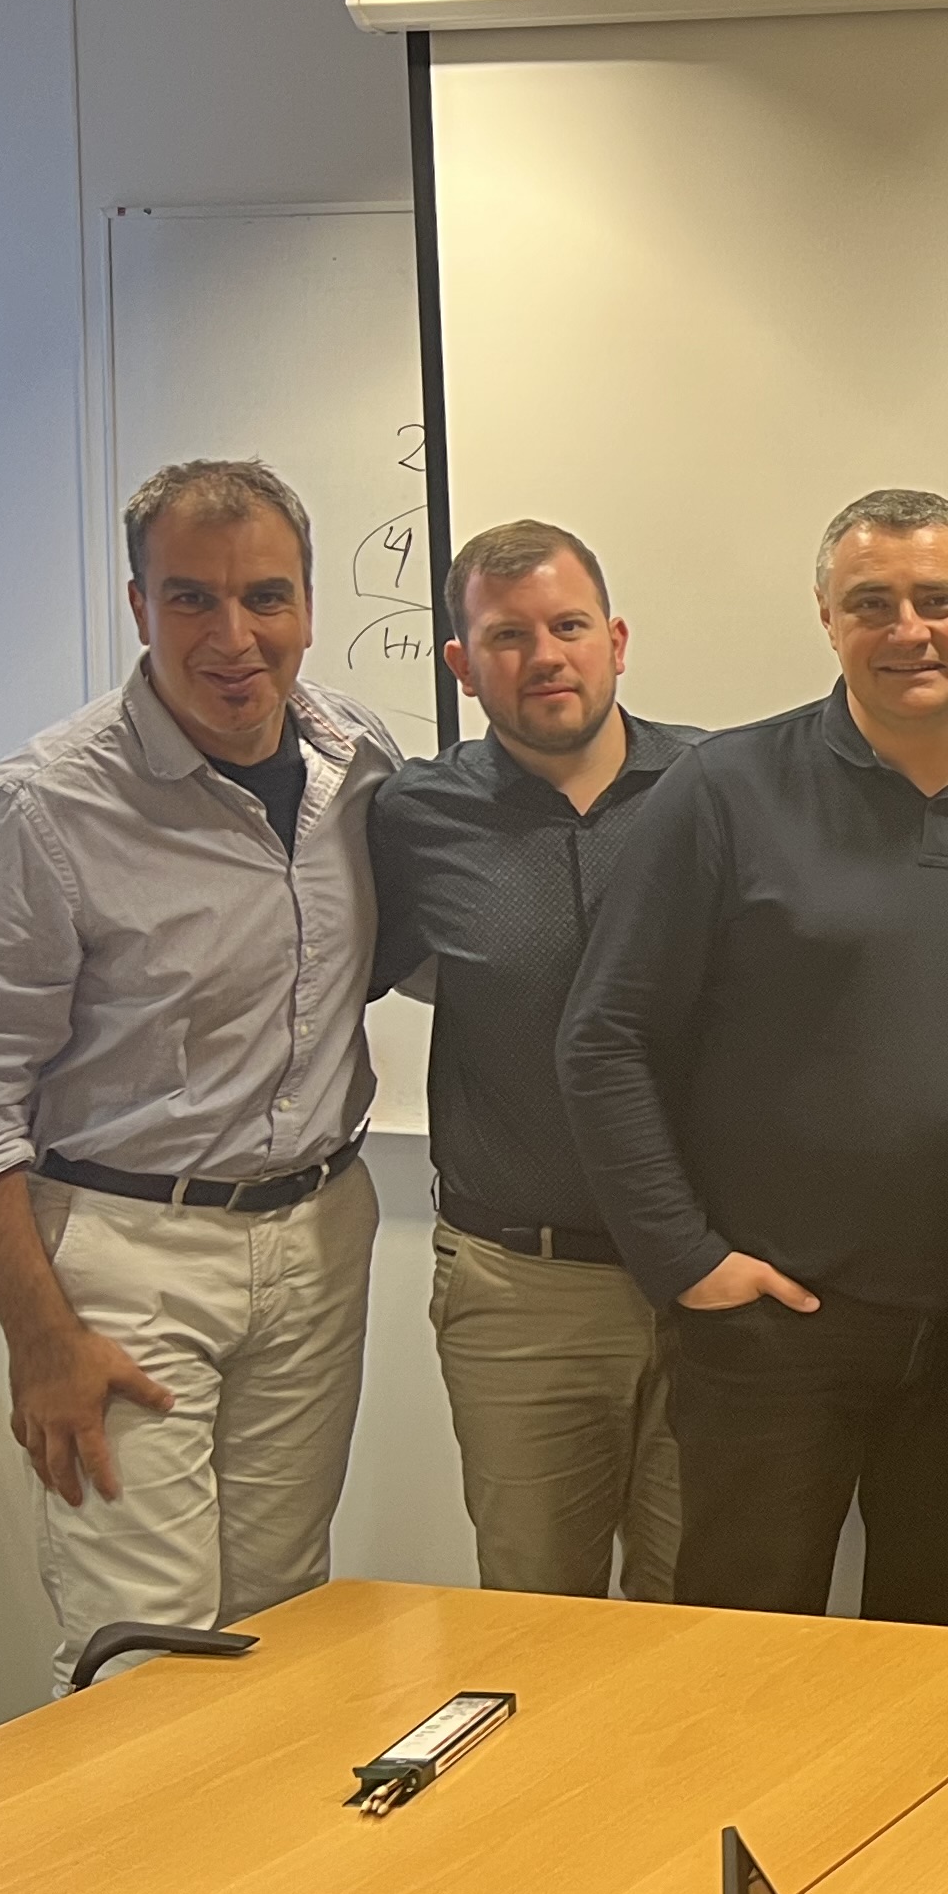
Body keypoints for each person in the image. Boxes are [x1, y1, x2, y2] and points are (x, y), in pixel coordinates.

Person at [559, 489, 948, 1624]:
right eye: (872, 603)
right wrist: (686, 1260)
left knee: (936, 1647)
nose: (908, 630)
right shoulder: (724, 791)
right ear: (827, 619)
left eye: (939, 600)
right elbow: (606, 1035)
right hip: (772, 1327)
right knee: (743, 1636)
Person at [0, 457, 399, 1686]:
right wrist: (42, 1339)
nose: (234, 638)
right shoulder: (35, 814)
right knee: (147, 1651)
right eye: (191, 599)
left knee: (288, 1624)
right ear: (138, 606)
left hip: (318, 1235)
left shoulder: (357, 761)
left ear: (309, 603)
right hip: (124, 1261)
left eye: (265, 597)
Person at [371, 518, 697, 1600]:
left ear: (616, 641)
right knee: (535, 1619)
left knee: (704, 1621)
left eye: (568, 627)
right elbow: (341, 973)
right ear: (462, 666)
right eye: (507, 637)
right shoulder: (415, 816)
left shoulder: (719, 788)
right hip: (522, 1290)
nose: (544, 657)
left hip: (707, 1281)